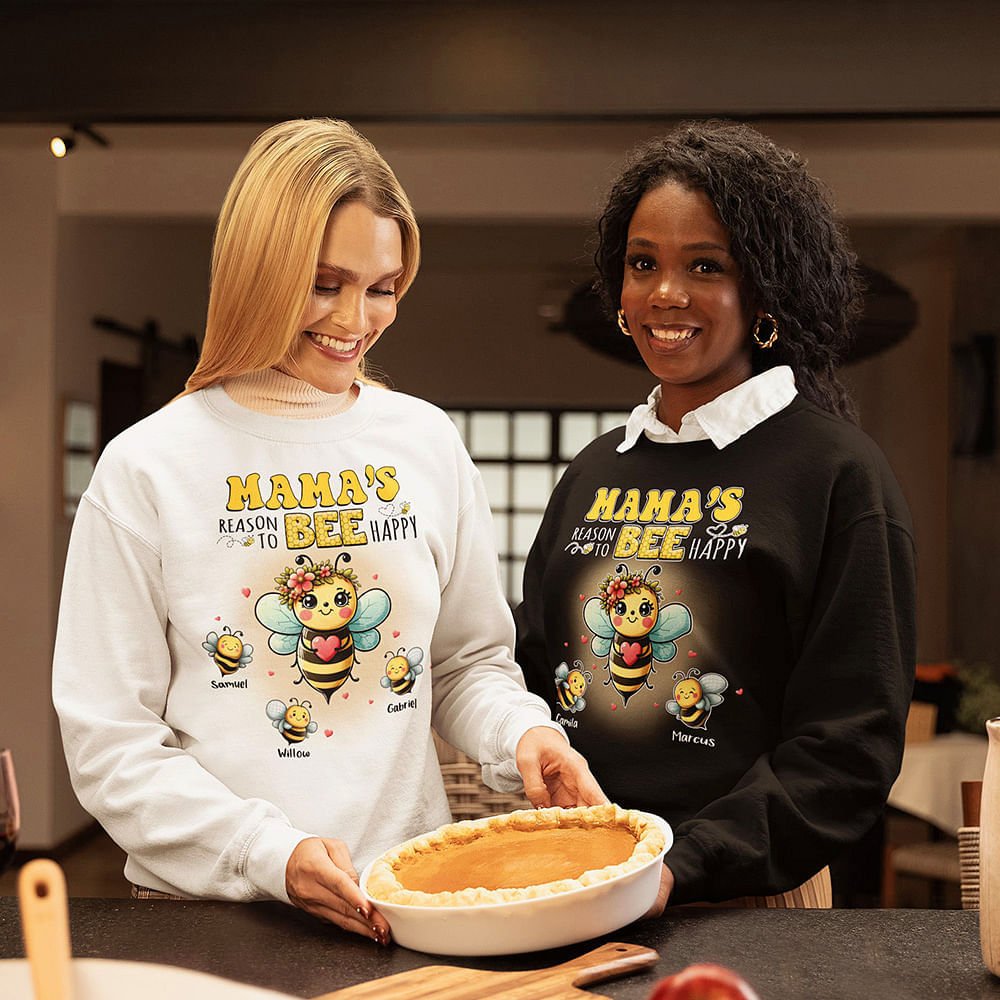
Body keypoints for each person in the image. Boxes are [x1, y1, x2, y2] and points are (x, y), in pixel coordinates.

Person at [52, 118, 603, 943]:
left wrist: (522, 732)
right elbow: (110, 744)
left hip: (407, 899)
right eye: (324, 283)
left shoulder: (424, 442)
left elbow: (463, 664)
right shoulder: (148, 467)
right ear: (257, 271)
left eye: (383, 287)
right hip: (210, 918)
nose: (357, 319)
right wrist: (266, 852)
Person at [515, 120, 916, 910]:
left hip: (745, 902)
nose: (666, 293)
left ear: (764, 290)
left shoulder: (836, 475)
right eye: (643, 264)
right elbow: (532, 671)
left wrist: (679, 865)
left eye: (706, 265)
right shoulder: (593, 471)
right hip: (577, 880)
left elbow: (848, 749)